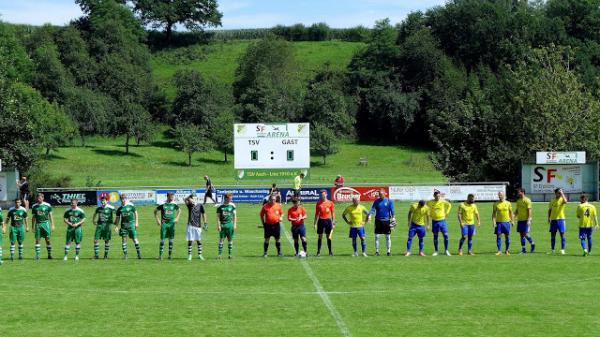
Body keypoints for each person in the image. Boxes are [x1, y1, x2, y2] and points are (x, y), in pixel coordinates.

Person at [367, 189, 395, 256]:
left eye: (381, 194)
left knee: (387, 237)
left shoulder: (389, 201)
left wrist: (393, 217)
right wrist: (370, 215)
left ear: (385, 194)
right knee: (377, 236)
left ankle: (388, 251)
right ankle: (377, 252)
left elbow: (392, 210)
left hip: (386, 221)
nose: (380, 196)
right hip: (378, 221)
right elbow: (373, 209)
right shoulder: (376, 201)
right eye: (379, 195)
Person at [155, 192, 181, 260]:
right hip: (164, 224)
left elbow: (179, 210)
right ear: (168, 197)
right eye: (171, 197)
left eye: (173, 197)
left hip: (172, 224)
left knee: (171, 239)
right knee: (162, 239)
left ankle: (169, 255)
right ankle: (160, 256)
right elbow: (155, 211)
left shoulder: (174, 204)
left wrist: (177, 218)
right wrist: (157, 219)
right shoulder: (163, 204)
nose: (172, 198)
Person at [115, 194, 142, 260]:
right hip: (124, 226)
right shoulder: (119, 209)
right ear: (120, 200)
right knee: (124, 240)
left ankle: (139, 254)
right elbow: (118, 219)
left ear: (126, 199)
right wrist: (116, 226)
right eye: (122, 199)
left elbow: (136, 213)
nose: (123, 200)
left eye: (124, 199)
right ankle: (125, 255)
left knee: (134, 239)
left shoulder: (131, 205)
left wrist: (137, 222)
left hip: (131, 225)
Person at [427, 191, 452, 256]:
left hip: (442, 221)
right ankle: (436, 251)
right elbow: (425, 207)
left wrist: (447, 212)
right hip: (434, 221)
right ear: (434, 196)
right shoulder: (430, 202)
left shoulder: (443, 201)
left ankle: (446, 250)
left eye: (439, 196)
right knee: (435, 236)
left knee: (446, 235)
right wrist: (428, 214)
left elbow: (449, 205)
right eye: (437, 196)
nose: (438, 197)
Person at [31, 193, 55, 260]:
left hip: (46, 224)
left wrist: (52, 225)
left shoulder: (47, 205)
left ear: (43, 198)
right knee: (37, 240)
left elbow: (50, 215)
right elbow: (33, 217)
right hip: (38, 224)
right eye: (38, 198)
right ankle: (37, 256)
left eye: (40, 198)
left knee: (48, 240)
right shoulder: (34, 206)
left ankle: (49, 255)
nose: (39, 199)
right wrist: (32, 227)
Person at [184, 194, 207, 261]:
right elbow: (185, 199)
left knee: (199, 241)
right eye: (189, 199)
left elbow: (204, 213)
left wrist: (205, 223)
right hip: (190, 225)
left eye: (191, 199)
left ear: (194, 199)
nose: (190, 200)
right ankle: (190, 255)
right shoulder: (189, 205)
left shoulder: (200, 205)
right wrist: (188, 197)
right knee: (190, 241)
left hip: (198, 226)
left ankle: (200, 255)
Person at [314, 190, 335, 257]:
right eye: (321, 195)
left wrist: (333, 221)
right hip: (321, 221)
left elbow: (333, 213)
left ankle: (330, 252)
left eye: (323, 195)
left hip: (328, 221)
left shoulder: (330, 203)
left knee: (329, 237)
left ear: (326, 195)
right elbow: (316, 214)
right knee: (320, 236)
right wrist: (315, 223)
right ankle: (318, 252)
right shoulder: (318, 203)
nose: (322, 196)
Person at [515, 188, 536, 254]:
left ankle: (532, 243)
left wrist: (529, 220)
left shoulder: (527, 200)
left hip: (526, 220)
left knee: (525, 233)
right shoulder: (518, 201)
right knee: (521, 234)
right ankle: (523, 249)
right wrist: (513, 216)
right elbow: (517, 210)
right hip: (520, 220)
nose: (518, 193)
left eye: (519, 192)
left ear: (522, 192)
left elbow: (529, 210)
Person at [492, 192, 513, 256]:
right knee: (498, 236)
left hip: (506, 222)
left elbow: (511, 212)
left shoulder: (508, 203)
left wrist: (512, 221)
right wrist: (494, 222)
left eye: (501, 195)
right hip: (499, 223)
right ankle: (499, 251)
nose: (500, 196)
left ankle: (507, 250)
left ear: (504, 195)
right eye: (499, 195)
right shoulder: (495, 204)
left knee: (507, 236)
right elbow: (494, 214)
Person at [548, 188, 568, 255]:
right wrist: (549, 218)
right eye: (559, 192)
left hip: (561, 219)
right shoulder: (552, 201)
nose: (559, 194)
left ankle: (562, 249)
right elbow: (550, 210)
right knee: (553, 235)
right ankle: (552, 250)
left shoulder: (562, 199)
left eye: (560, 193)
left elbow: (566, 201)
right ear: (555, 193)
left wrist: (562, 193)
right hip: (553, 220)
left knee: (562, 235)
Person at [216, 193, 237, 259]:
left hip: (230, 225)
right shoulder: (220, 206)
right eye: (229, 199)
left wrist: (234, 224)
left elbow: (235, 216)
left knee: (230, 240)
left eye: (231, 199)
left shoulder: (232, 205)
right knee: (221, 240)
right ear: (225, 198)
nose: (230, 200)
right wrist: (219, 225)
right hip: (222, 225)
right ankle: (219, 255)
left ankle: (230, 255)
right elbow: (218, 217)